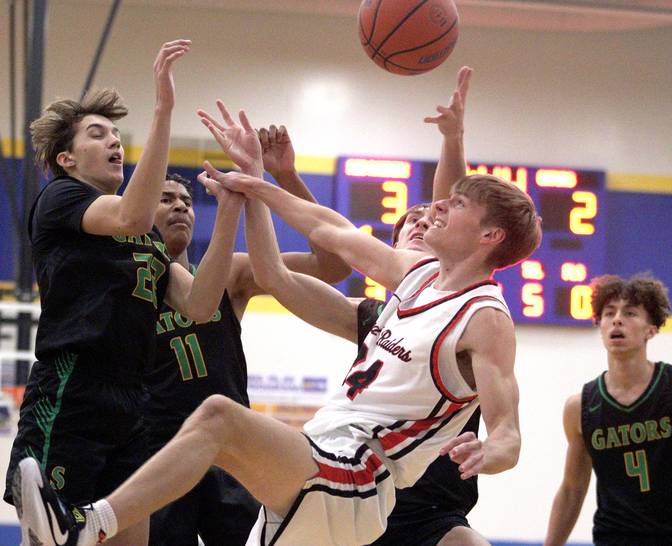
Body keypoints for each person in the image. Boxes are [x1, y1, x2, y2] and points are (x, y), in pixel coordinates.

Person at [13, 86, 541, 544]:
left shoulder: (485, 318)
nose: (435, 212)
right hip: (314, 457)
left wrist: (489, 451)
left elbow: (508, 433)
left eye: (454, 208)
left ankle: (88, 525)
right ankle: (89, 523)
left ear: (490, 236)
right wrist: (258, 179)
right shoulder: (410, 281)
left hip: (359, 475)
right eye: (428, 212)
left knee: (218, 416)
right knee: (214, 427)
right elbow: (317, 242)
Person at [4, 40, 247, 545]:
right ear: (66, 157)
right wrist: (164, 107)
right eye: (99, 134)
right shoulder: (62, 198)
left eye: (117, 133)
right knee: (51, 539)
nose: (114, 140)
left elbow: (201, 304)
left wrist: (229, 208)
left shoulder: (147, 239)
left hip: (133, 403)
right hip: (74, 387)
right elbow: (131, 213)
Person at [146, 164, 350, 545]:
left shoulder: (229, 273)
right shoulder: (128, 287)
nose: (180, 207)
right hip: (158, 449)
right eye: (166, 199)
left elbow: (332, 265)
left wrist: (285, 176)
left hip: (230, 447)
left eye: (188, 201)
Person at [544, 274, 672, 546]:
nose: (617, 319)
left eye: (630, 313)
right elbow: (572, 489)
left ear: (651, 329)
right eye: (609, 313)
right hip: (614, 538)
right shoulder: (580, 405)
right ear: (600, 325)